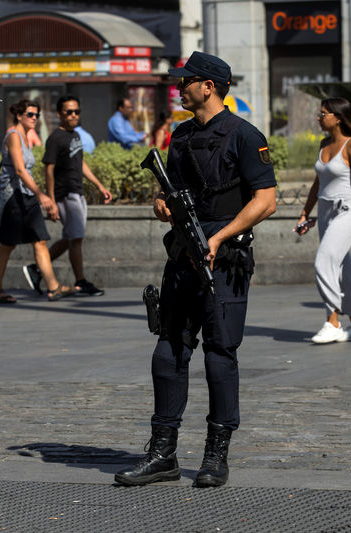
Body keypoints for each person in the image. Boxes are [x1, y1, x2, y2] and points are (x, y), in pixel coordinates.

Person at [114, 51, 277, 488]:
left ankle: (215, 455)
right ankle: (163, 454)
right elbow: (169, 197)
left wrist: (221, 238)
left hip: (225, 260)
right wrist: (161, 205)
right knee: (168, 349)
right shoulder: (181, 136)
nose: (178, 87)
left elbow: (266, 200)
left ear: (208, 86)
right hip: (184, 255)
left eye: (185, 81)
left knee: (221, 354)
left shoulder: (245, 135)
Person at [295, 98, 351, 344]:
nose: (319, 118)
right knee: (343, 271)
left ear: (338, 118)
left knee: (324, 262)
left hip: (347, 212)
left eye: (323, 114)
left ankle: (333, 321)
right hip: (326, 212)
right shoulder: (324, 144)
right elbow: (318, 183)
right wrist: (306, 213)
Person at [25, 95, 112, 297]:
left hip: (77, 192)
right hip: (66, 195)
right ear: (59, 114)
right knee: (76, 239)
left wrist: (99, 185)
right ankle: (80, 282)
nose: (73, 115)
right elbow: (49, 170)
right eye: (69, 112)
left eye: (77, 112)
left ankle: (37, 268)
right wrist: (51, 202)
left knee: (70, 237)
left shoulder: (75, 135)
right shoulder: (55, 138)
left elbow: (80, 163)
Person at [0, 99, 74, 303]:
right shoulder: (13, 135)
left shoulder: (26, 137)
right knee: (7, 244)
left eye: (36, 114)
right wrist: (41, 194)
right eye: (30, 114)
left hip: (26, 195)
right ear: (19, 116)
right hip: (14, 196)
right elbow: (19, 170)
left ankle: (53, 287)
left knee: (40, 240)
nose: (35, 118)